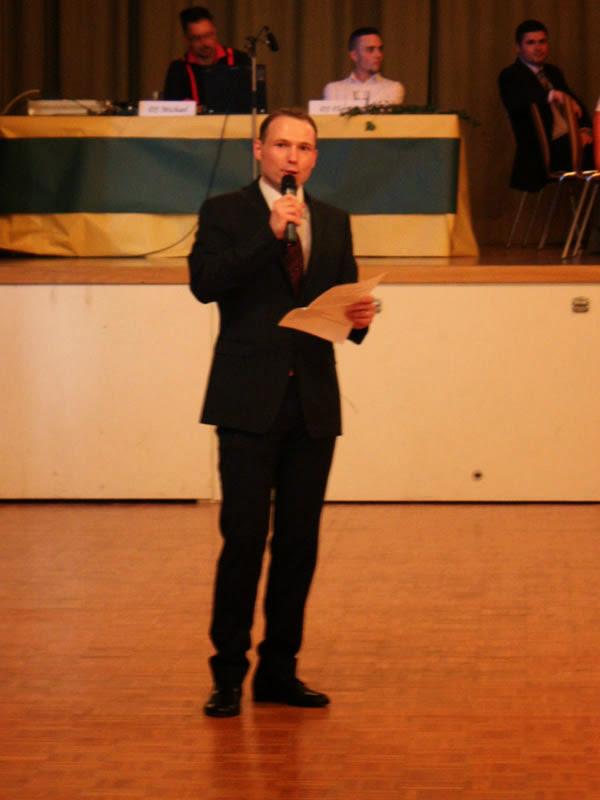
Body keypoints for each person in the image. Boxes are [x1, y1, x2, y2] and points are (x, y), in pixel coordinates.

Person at [189, 108, 376, 718]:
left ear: (315, 157)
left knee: (299, 544)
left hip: (312, 401)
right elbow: (205, 283)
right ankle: (227, 674)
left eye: (305, 147)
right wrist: (268, 234)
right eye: (282, 145)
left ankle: (279, 671)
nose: (293, 156)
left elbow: (340, 301)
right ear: (259, 150)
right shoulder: (226, 212)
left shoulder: (335, 221)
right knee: (244, 539)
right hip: (247, 399)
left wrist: (360, 319)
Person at [498, 19, 593, 192]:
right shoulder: (511, 75)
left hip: (572, 143)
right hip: (545, 152)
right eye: (531, 43)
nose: (538, 48)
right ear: (518, 48)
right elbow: (519, 99)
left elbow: (576, 104)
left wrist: (584, 130)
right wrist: (552, 95)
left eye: (542, 42)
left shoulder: (553, 72)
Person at [163, 6, 250, 105]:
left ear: (215, 32)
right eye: (197, 38)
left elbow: (251, 102)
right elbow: (171, 108)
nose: (204, 43)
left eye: (208, 35)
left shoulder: (239, 60)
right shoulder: (178, 69)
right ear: (186, 40)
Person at [323, 27, 405, 106]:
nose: (378, 55)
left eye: (380, 49)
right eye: (370, 50)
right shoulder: (334, 90)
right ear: (354, 55)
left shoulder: (392, 88)